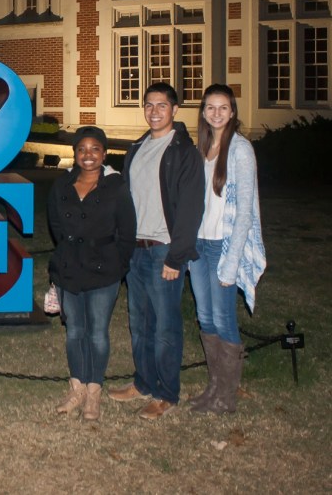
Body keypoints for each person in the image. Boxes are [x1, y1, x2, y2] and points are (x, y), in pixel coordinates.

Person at [108, 82, 205, 420]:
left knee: (165, 327)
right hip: (135, 249)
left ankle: (166, 393)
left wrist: (177, 257)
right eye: (149, 105)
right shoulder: (137, 147)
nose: (154, 111)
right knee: (140, 322)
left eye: (161, 105)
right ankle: (144, 381)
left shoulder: (183, 152)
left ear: (175, 110)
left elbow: (192, 208)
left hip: (164, 250)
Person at [47, 126, 136, 421]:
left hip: (104, 268)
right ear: (75, 153)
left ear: (104, 154)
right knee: (75, 331)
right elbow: (56, 227)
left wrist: (117, 267)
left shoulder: (117, 186)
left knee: (97, 332)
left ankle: (94, 393)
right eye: (82, 149)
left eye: (95, 149)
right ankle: (77, 389)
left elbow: (127, 232)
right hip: (69, 268)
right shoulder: (61, 185)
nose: (88, 155)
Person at [187, 84, 266, 414]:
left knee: (223, 318)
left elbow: (245, 210)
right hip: (199, 245)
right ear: (203, 112)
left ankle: (227, 396)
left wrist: (232, 262)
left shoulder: (240, 149)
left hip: (223, 247)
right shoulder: (201, 147)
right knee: (205, 317)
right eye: (210, 107)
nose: (216, 113)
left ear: (232, 112)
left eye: (223, 108)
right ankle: (214, 387)